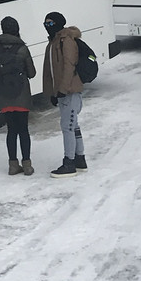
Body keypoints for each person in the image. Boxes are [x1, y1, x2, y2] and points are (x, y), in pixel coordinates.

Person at [41, 11, 87, 176]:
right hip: (64, 91)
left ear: (59, 24)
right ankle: (79, 158)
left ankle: (69, 162)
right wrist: (53, 92)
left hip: (69, 91)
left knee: (67, 126)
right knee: (73, 125)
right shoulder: (54, 41)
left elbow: (69, 66)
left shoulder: (65, 41)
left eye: (51, 23)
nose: (47, 26)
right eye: (46, 23)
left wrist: (62, 89)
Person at [0, 15, 37, 175]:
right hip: (21, 95)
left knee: (11, 131)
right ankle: (27, 164)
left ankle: (12, 165)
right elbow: (32, 73)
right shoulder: (23, 49)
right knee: (23, 130)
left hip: (4, 96)